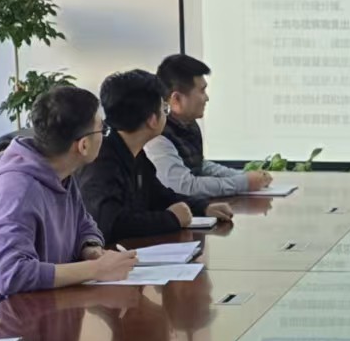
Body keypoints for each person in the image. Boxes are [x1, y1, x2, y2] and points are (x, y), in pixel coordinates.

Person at [0, 85, 138, 315]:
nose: (104, 136)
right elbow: (10, 275)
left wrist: (90, 248)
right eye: (101, 130)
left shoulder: (62, 173)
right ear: (83, 145)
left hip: (38, 306)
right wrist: (95, 269)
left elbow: (84, 224)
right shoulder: (17, 191)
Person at [81, 69, 235, 245]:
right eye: (164, 109)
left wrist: (203, 207)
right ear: (152, 120)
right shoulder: (101, 161)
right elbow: (109, 225)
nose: (167, 115)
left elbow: (159, 196)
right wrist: (171, 219)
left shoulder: (135, 153)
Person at [147, 53, 271, 199]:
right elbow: (186, 187)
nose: (207, 98)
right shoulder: (156, 136)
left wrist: (244, 175)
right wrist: (243, 182)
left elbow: (198, 166)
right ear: (177, 99)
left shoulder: (188, 124)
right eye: (202, 90)